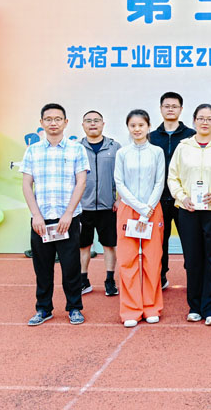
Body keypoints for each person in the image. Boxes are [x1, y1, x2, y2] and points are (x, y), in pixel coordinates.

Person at [167, 104, 211, 326]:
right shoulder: (183, 147)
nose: (205, 122)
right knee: (193, 260)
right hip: (188, 210)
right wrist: (182, 197)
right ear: (194, 121)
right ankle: (195, 306)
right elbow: (173, 177)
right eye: (201, 118)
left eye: (209, 119)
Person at [22, 103, 89, 326]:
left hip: (67, 219)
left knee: (71, 266)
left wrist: (68, 214)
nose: (53, 123)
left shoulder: (76, 149)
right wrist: (36, 215)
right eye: (48, 119)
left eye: (58, 119)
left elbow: (81, 182)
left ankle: (74, 308)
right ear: (41, 123)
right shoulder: (33, 150)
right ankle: (43, 309)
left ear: (65, 122)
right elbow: (26, 184)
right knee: (42, 267)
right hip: (41, 219)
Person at [113, 109, 166, 327]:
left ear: (148, 127)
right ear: (128, 128)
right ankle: (131, 310)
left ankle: (151, 307)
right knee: (128, 260)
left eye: (141, 125)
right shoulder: (122, 153)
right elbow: (119, 183)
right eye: (133, 126)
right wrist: (139, 207)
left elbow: (159, 182)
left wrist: (148, 209)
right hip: (128, 209)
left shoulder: (157, 152)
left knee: (152, 260)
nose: (137, 129)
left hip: (152, 210)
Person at [150, 92, 196, 289]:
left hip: (184, 198)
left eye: (174, 106)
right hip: (158, 198)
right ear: (161, 109)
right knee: (159, 241)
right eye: (166, 106)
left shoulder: (191, 135)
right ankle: (160, 277)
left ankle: (193, 278)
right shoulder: (151, 137)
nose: (170, 109)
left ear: (181, 109)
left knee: (190, 240)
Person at [78, 110, 121, 296]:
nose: (92, 124)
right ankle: (83, 281)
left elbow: (122, 176)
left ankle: (110, 281)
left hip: (108, 207)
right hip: (83, 207)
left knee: (109, 245)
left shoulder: (115, 147)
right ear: (83, 125)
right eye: (88, 121)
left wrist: (119, 199)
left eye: (96, 121)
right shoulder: (76, 148)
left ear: (103, 124)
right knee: (83, 246)